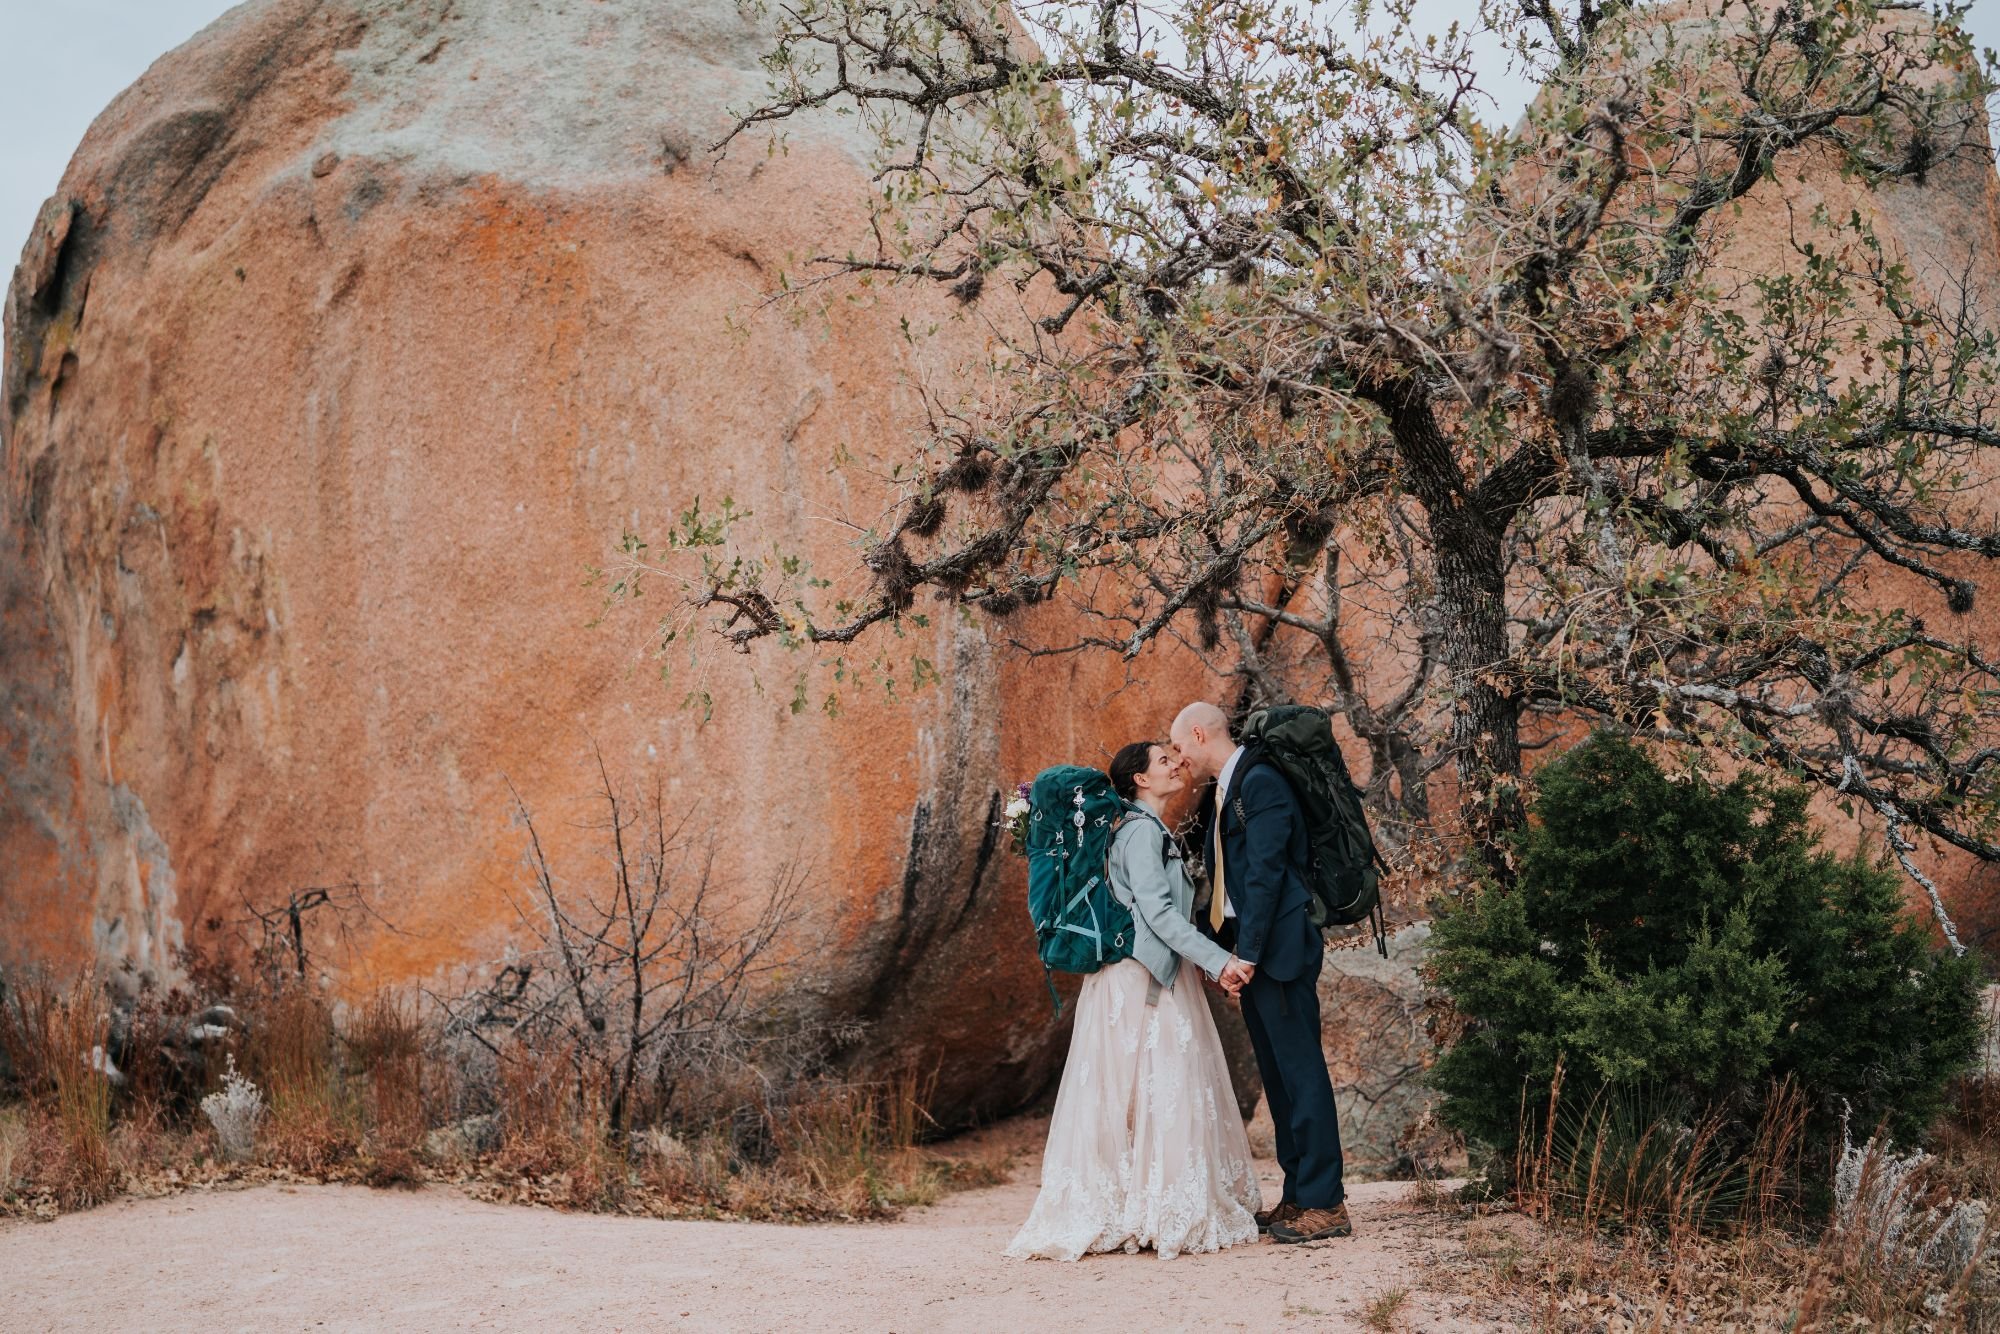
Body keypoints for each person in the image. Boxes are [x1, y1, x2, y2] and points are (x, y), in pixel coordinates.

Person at [1006, 740, 1262, 1261]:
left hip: (1137, 975)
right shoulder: (1142, 832)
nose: (1176, 765)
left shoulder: (1136, 828)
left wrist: (1201, 963)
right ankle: (1153, 1208)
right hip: (1142, 981)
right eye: (1164, 760)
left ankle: (1134, 1204)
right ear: (1140, 779)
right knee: (1157, 1084)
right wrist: (1219, 961)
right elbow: (1160, 915)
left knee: (1133, 1090)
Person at [1169, 700, 1352, 1244]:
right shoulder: (1231, 786)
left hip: (1281, 949)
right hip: (1256, 951)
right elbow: (1233, 883)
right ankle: (1298, 1194)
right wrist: (1222, 951)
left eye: (1178, 747)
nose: (1178, 758)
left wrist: (1245, 955)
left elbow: (1267, 875)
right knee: (1278, 1076)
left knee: (1301, 1071)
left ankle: (1327, 1203)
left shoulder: (1261, 781)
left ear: (1198, 733)